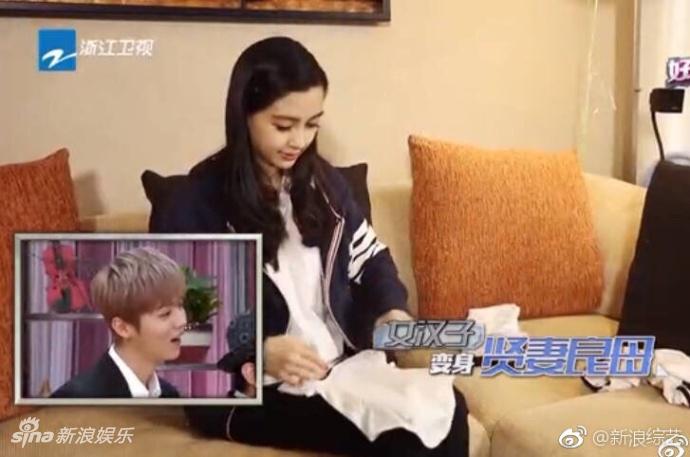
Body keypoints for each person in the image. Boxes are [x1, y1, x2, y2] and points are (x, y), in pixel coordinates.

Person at [152, 36, 469, 456]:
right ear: (244, 114)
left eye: (312, 123)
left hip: (338, 366)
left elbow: (370, 258)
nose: (299, 141)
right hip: (251, 389)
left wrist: (390, 308)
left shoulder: (324, 185)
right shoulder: (194, 205)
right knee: (405, 436)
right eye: (284, 126)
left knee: (449, 406)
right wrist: (258, 350)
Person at [52, 247, 186, 399]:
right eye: (165, 314)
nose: (182, 321)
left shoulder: (169, 395)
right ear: (122, 328)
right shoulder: (76, 399)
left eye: (180, 305)